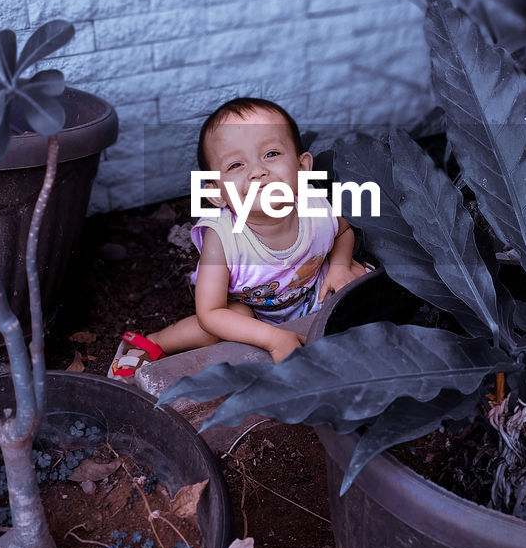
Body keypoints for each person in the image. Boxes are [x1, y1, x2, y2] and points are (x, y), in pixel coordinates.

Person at [109, 97, 367, 377]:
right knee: (216, 328)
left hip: (309, 293)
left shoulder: (315, 209)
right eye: (235, 165)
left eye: (271, 154)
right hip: (251, 311)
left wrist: (340, 265)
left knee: (355, 275)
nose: (258, 171)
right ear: (217, 193)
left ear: (303, 167)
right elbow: (210, 313)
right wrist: (273, 338)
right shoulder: (222, 240)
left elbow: (343, 232)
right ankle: (155, 342)